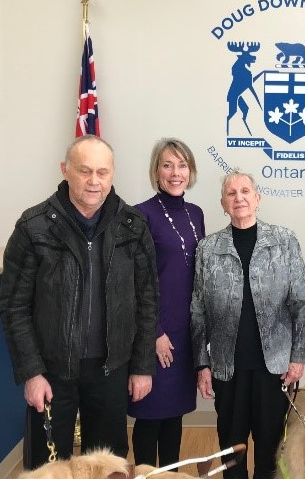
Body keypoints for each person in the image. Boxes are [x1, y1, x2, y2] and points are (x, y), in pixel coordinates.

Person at [0, 135, 159, 469]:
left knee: (109, 467)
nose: (94, 181)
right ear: (65, 170)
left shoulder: (134, 226)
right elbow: (14, 306)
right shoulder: (33, 226)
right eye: (84, 171)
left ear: (113, 174)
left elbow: (147, 302)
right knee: (49, 468)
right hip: (51, 372)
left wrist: (142, 366)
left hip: (111, 370)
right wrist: (31, 373)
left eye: (102, 171)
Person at [190, 170, 305, 479]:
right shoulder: (208, 248)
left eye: (245, 191)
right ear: (223, 203)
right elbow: (197, 313)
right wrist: (202, 365)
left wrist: (298, 357)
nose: (239, 198)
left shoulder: (284, 241)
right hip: (227, 368)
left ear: (257, 198)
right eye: (231, 194)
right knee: (232, 446)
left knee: (270, 445)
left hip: (274, 366)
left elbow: (303, 302)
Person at [128, 138, 205, 469]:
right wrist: (154, 333)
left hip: (186, 332)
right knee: (150, 416)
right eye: (168, 165)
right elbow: (132, 282)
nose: (176, 173)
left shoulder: (197, 214)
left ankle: (171, 475)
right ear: (156, 171)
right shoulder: (139, 215)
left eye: (182, 165)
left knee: (174, 416)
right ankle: (146, 474)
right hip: (154, 331)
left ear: (191, 171)